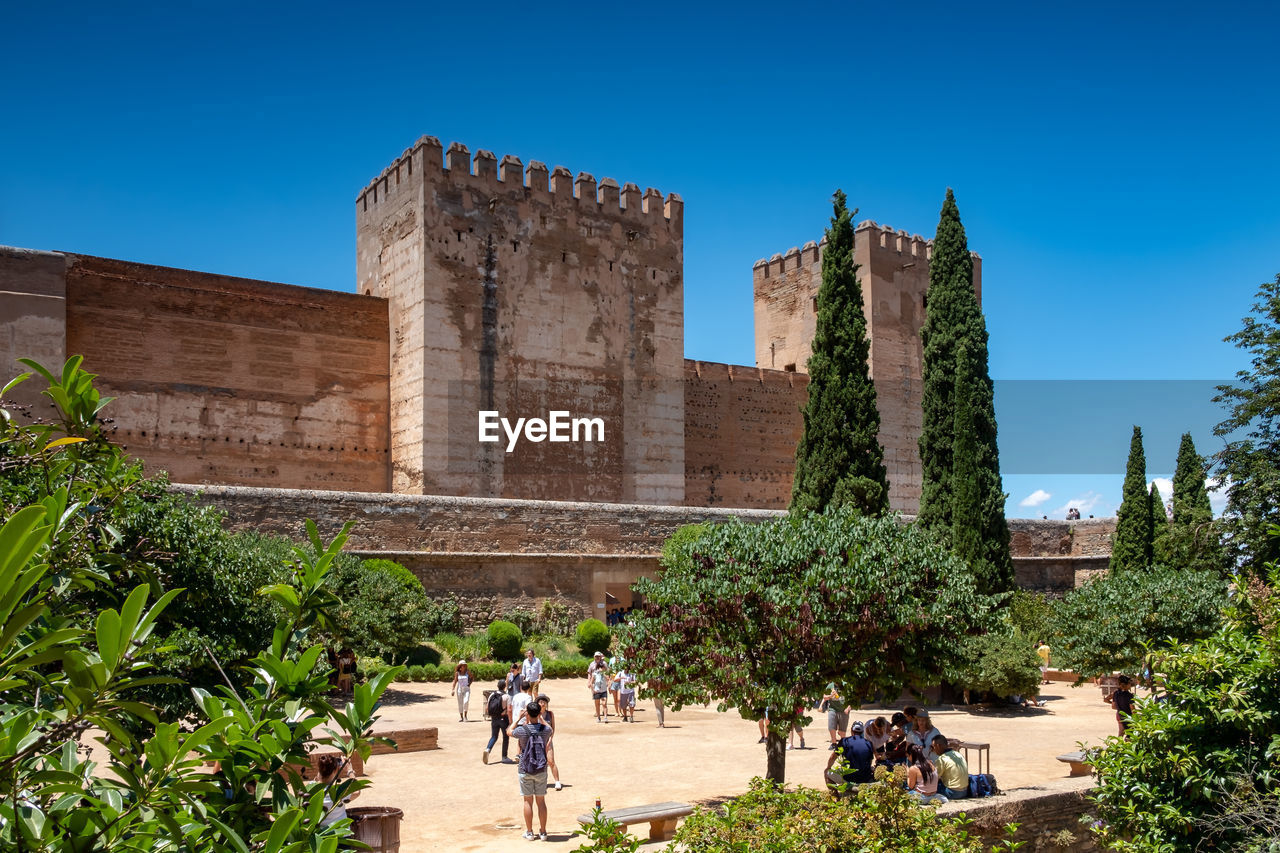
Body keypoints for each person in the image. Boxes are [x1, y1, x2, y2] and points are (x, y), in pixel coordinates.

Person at [508, 701, 552, 841]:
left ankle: (529, 832)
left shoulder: (522, 730)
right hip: (541, 768)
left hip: (525, 768)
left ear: (527, 713)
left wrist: (519, 718)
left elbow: (509, 731)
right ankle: (543, 832)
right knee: (541, 801)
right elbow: (550, 728)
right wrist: (541, 718)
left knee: (527, 801)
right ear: (539, 713)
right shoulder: (545, 730)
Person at [825, 721, 874, 789]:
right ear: (862, 732)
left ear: (851, 731)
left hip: (849, 778)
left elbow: (832, 757)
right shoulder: (869, 743)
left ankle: (835, 797)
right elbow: (870, 761)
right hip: (865, 778)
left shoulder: (844, 741)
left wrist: (828, 767)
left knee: (827, 773)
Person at [316, 753, 359, 827]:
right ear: (335, 771)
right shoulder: (339, 791)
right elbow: (357, 791)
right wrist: (349, 770)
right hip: (342, 834)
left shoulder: (313, 790)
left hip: (321, 835)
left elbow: (317, 780)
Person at [536, 694, 564, 791]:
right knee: (539, 763)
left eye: (544, 702)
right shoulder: (534, 714)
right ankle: (541, 782)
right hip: (536, 742)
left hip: (548, 740)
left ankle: (557, 781)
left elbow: (552, 729)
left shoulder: (550, 714)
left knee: (551, 761)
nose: (542, 704)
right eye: (540, 702)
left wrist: (550, 739)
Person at [932, 732, 969, 799]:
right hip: (965, 791)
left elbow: (935, 778)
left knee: (928, 788)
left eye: (933, 747)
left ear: (938, 746)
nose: (934, 749)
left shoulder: (942, 759)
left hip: (953, 793)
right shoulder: (957, 754)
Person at [483, 678, 512, 764]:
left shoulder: (492, 695)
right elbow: (509, 710)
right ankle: (504, 757)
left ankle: (488, 749)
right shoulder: (507, 696)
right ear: (505, 687)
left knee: (494, 736)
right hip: (504, 718)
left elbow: (487, 708)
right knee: (505, 737)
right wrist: (510, 722)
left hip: (494, 718)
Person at [822, 683, 848, 750]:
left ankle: (842, 743)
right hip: (832, 709)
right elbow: (824, 697)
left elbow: (852, 697)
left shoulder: (846, 684)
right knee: (831, 726)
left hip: (843, 710)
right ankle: (834, 743)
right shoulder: (830, 686)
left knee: (842, 731)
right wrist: (831, 695)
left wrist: (848, 708)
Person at [586, 652, 609, 723]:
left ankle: (605, 716)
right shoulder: (592, 664)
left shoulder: (604, 663)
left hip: (603, 687)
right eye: (596, 656)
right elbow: (590, 673)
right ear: (594, 657)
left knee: (604, 703)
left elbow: (608, 673)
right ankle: (598, 715)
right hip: (595, 686)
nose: (597, 658)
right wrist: (589, 682)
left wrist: (608, 682)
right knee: (597, 703)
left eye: (598, 656)